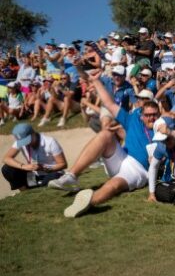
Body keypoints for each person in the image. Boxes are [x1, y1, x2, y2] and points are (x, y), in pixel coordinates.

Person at [50, 70, 158, 218]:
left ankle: (89, 202)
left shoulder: (162, 128)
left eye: (154, 114)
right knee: (105, 134)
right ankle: (71, 176)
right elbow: (109, 103)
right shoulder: (133, 119)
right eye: (147, 114)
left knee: (114, 185)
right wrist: (96, 82)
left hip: (138, 169)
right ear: (142, 114)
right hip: (122, 157)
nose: (151, 117)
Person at [2, 123, 67, 192]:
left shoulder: (50, 142)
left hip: (52, 173)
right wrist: (23, 166)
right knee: (7, 169)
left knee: (51, 179)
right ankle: (25, 192)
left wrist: (45, 168)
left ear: (33, 133)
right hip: (33, 175)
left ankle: (39, 186)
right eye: (22, 142)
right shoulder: (20, 142)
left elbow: (63, 164)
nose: (25, 144)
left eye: (27, 140)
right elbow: (6, 158)